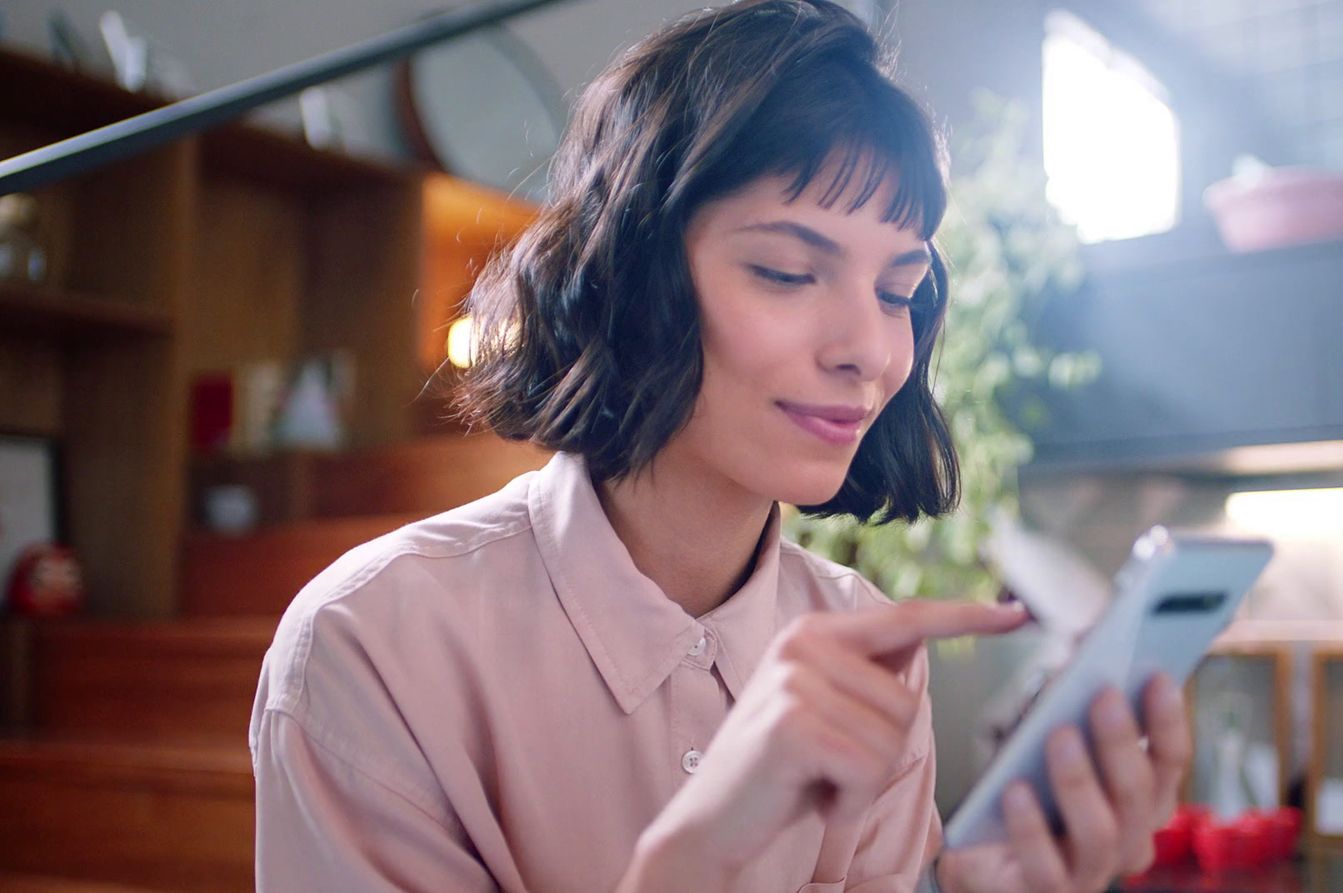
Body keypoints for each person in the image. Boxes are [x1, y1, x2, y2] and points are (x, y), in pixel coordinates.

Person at [248, 1, 1191, 891]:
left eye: (900, 292)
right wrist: (693, 860)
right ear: (632, 276)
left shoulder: (863, 641)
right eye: (787, 271)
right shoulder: (370, 646)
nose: (868, 349)